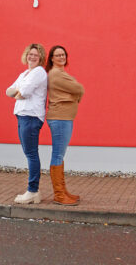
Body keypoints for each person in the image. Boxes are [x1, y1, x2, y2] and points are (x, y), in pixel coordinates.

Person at [6, 43, 47, 204]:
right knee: (29, 153)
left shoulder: (38, 72)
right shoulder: (24, 73)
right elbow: (9, 90)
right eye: (30, 54)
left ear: (40, 58)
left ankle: (33, 190)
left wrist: (18, 92)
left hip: (31, 116)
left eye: (36, 55)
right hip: (22, 115)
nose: (32, 57)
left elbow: (24, 93)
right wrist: (17, 92)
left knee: (31, 154)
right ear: (26, 55)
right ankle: (33, 191)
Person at [45, 45, 84, 206]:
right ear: (52, 58)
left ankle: (63, 191)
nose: (61, 57)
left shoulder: (61, 73)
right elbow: (79, 88)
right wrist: (75, 95)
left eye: (63, 54)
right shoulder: (56, 74)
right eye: (57, 55)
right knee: (58, 155)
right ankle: (59, 195)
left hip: (64, 117)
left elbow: (75, 90)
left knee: (60, 154)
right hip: (60, 118)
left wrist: (73, 95)